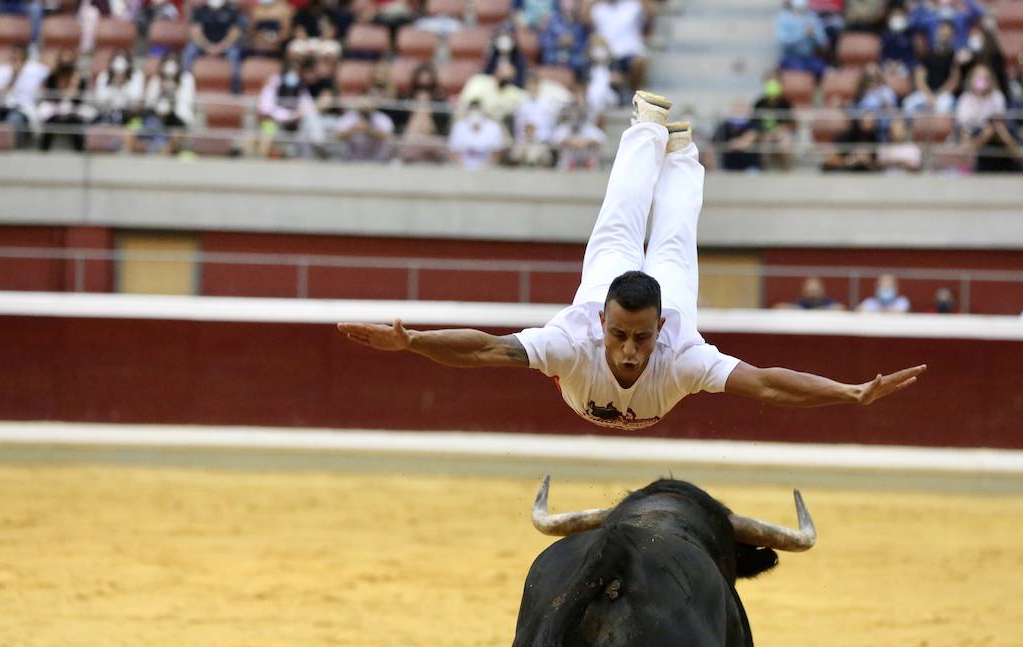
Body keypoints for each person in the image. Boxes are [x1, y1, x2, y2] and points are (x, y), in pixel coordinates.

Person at [339, 92, 925, 431]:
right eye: (620, 334)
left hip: (656, 297)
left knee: (669, 234)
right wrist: (412, 341)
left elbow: (769, 385)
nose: (628, 350)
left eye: (641, 338)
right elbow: (489, 348)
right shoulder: (576, 335)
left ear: (660, 328)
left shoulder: (681, 353)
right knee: (627, 217)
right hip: (605, 283)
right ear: (602, 323)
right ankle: (662, 135)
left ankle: (673, 142)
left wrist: (850, 394)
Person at [586, 0, 653, 93]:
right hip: (605, 54)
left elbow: (650, 17)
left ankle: (635, 91)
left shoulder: (635, 6)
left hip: (629, 51)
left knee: (639, 62)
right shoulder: (597, 9)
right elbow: (587, 26)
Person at [36, 50, 93, 152]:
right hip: (55, 110)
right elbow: (49, 97)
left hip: (73, 111)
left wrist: (73, 86)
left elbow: (79, 102)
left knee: (76, 122)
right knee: (50, 123)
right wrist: (61, 91)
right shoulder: (52, 77)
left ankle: (80, 152)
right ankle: (43, 152)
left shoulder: (79, 79)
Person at [184, 0, 245, 93]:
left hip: (225, 45)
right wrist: (207, 46)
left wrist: (221, 47)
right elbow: (195, 32)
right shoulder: (200, 10)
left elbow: (234, 33)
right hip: (204, 44)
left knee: (235, 53)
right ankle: (185, 79)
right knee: (190, 50)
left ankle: (235, 83)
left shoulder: (231, 11)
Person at [903, 20, 959, 115]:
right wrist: (928, 95)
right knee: (908, 104)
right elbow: (919, 77)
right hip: (926, 92)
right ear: (937, 33)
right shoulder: (927, 53)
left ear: (952, 36)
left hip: (943, 94)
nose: (944, 37)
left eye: (947, 35)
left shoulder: (954, 56)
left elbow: (954, 81)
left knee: (944, 107)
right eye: (942, 34)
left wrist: (937, 96)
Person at [753, 77, 798, 171]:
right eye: (769, 84)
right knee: (764, 147)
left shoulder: (785, 103)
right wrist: (763, 133)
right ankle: (763, 171)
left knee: (785, 144)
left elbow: (792, 123)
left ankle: (787, 170)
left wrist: (780, 130)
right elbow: (754, 122)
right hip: (765, 133)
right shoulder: (759, 103)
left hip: (782, 132)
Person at [448, 100, 508, 169]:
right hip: (462, 168)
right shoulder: (459, 126)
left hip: (488, 169)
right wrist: (463, 167)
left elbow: (497, 153)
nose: (475, 115)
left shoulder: (493, 127)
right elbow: (452, 152)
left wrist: (485, 167)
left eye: (477, 111)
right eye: (473, 111)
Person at [777, 0, 828, 78]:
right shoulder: (784, 18)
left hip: (809, 58)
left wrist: (814, 36)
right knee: (800, 72)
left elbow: (823, 42)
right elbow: (783, 42)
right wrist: (803, 34)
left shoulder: (813, 18)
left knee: (826, 71)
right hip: (791, 58)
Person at [712, 99, 762, 171]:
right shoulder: (724, 126)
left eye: (742, 108)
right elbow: (715, 143)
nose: (739, 110)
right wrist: (733, 145)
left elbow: (753, 136)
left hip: (750, 167)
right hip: (728, 168)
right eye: (736, 107)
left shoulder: (754, 124)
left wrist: (739, 143)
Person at [775, 276, 841, 309]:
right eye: (810, 291)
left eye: (815, 291)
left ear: (822, 292)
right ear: (804, 292)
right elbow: (779, 307)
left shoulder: (827, 302)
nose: (813, 295)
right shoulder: (801, 303)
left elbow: (840, 308)